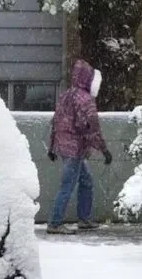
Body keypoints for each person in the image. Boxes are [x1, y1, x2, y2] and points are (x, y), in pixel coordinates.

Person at [46, 59, 113, 234]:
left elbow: (56, 122)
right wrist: (104, 150)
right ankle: (55, 223)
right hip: (74, 150)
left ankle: (84, 219)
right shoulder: (85, 100)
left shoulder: (66, 95)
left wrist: (52, 147)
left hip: (64, 147)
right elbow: (92, 128)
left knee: (86, 180)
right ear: (88, 79)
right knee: (67, 185)